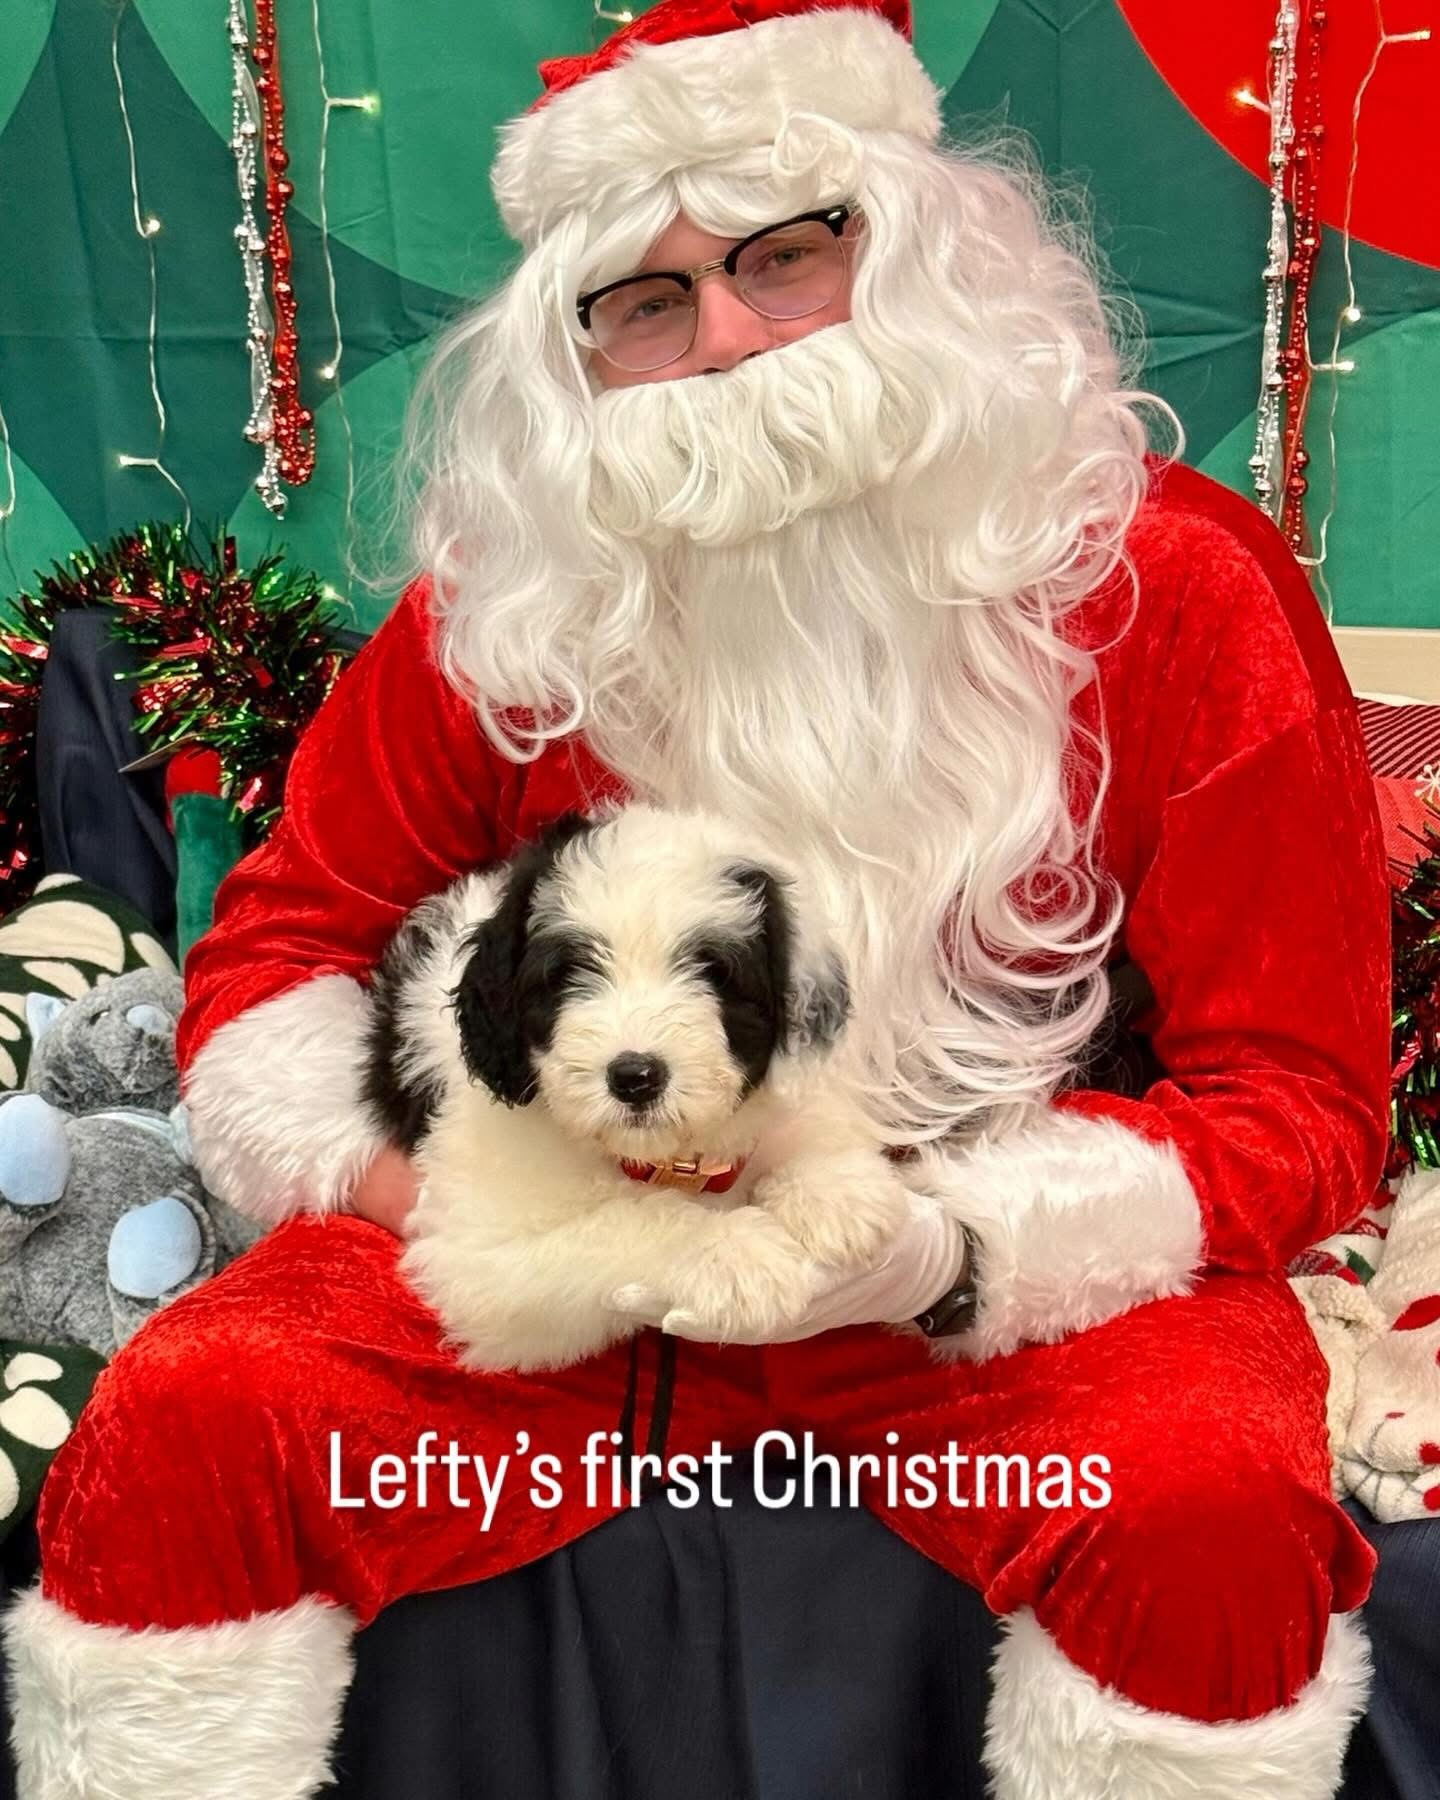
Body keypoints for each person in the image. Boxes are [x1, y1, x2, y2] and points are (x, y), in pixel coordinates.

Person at [1, 2, 1391, 1796]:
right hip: (561, 1259)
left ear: (912, 261)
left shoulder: (1172, 586)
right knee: (185, 1421)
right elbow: (284, 947)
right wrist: (415, 1188)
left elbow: (1300, 1098)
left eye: (784, 260)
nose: (727, 340)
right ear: (575, 361)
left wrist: (944, 1252)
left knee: (1203, 1501)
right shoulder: (515, 606)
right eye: (645, 303)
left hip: (976, 1280)